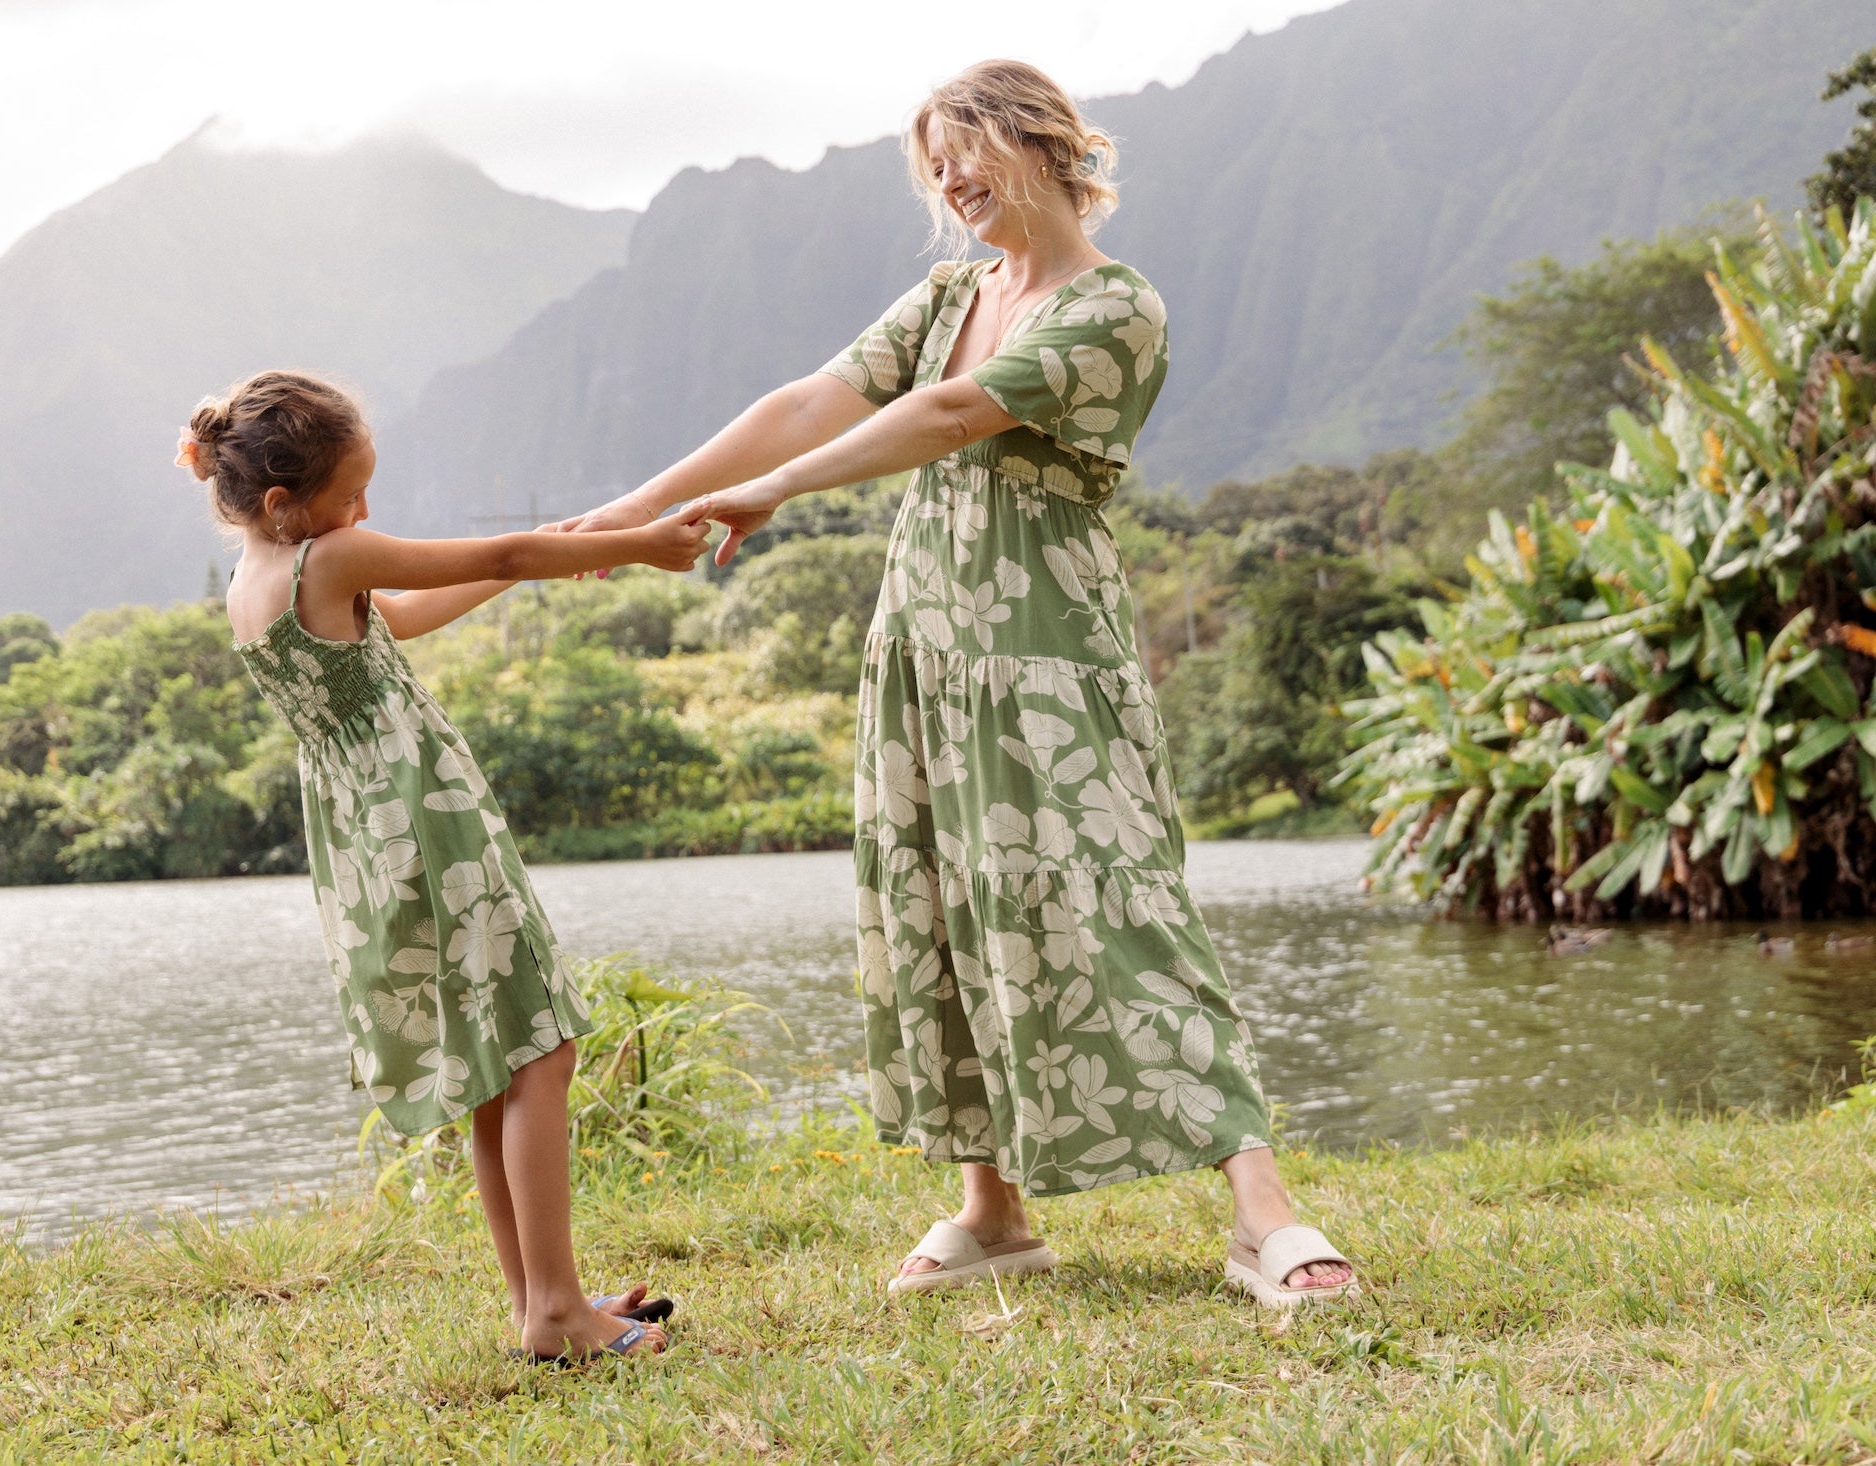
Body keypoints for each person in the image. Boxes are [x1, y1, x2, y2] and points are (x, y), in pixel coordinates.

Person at [565, 63, 1357, 1306]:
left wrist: (773, 494)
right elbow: (807, 398)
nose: (947, 180)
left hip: (1046, 653)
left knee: (1121, 901)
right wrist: (638, 505)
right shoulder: (950, 292)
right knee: (941, 909)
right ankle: (994, 1209)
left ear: (1038, 142)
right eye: (932, 163)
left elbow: (947, 415)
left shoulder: (1115, 306)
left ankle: (1264, 1213)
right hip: (923, 649)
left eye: (964, 151)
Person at [181, 369, 710, 1358]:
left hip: (369, 845)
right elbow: (505, 542)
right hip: (429, 824)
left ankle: (541, 1303)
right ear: (284, 501)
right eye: (349, 493)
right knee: (540, 1046)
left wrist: (563, 548)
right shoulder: (331, 556)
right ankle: (557, 1308)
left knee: (489, 1064)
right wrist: (636, 543)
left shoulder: (257, 585)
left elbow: (417, 611)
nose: (364, 511)